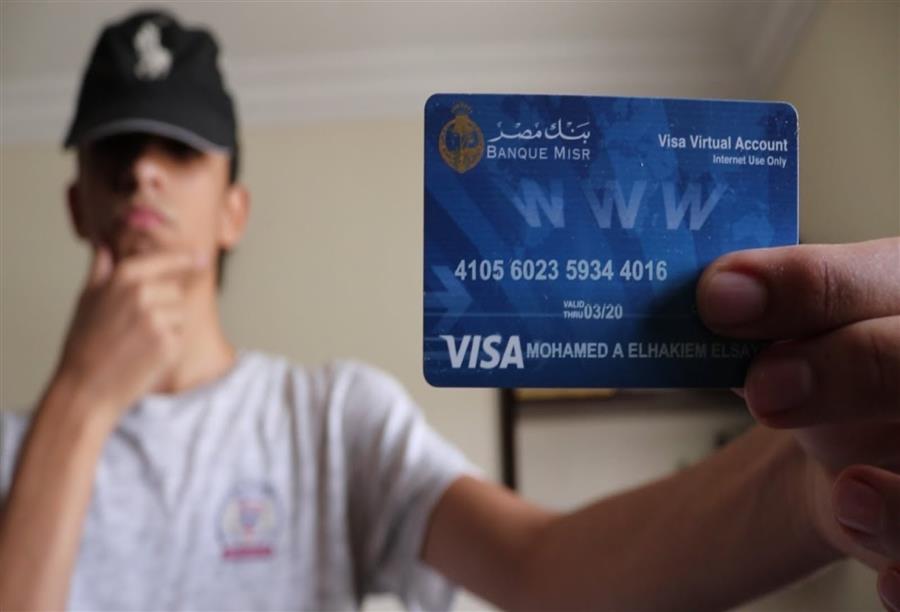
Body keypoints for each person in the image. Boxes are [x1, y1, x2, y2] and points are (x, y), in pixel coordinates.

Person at [1, 9, 898, 612]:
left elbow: (541, 569)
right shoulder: (14, 454)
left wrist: (809, 490)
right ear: (77, 205)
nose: (142, 174)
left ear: (235, 209)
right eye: (115, 153)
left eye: (179, 150)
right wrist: (81, 398)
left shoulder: (328, 417)